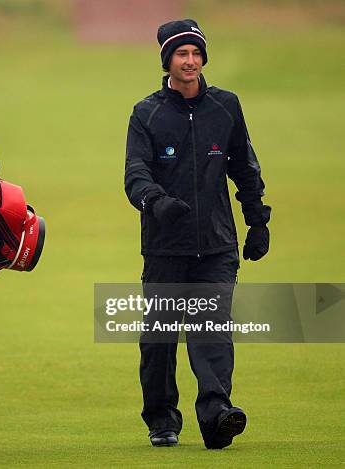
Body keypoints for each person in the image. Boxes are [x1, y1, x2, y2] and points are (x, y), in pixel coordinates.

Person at [124, 19, 271, 449]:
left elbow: (245, 167)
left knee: (212, 330)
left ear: (203, 58)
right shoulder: (146, 112)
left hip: (217, 246)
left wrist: (257, 219)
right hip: (165, 246)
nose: (189, 61)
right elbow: (134, 174)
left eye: (196, 53)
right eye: (181, 54)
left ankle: (217, 415)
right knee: (159, 340)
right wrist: (156, 200)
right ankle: (162, 418)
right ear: (167, 60)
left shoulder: (226, 106)